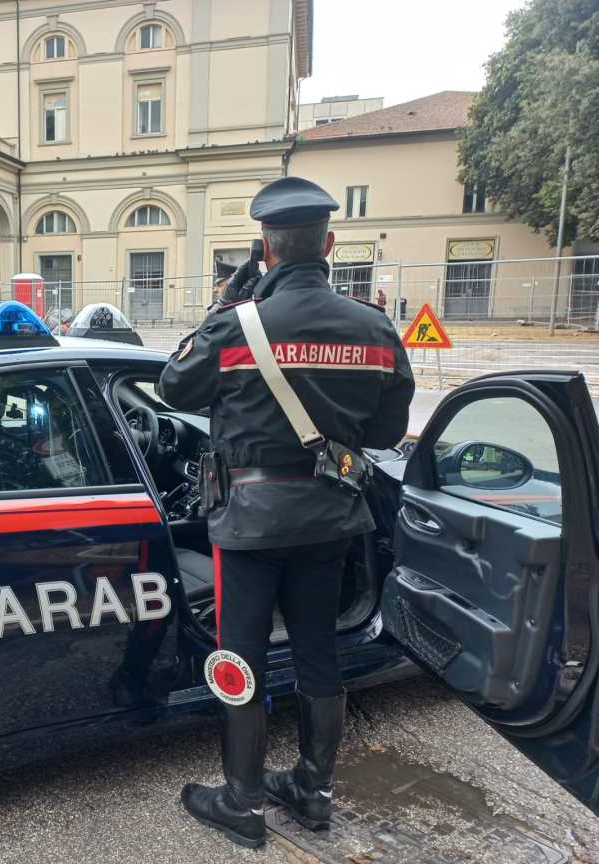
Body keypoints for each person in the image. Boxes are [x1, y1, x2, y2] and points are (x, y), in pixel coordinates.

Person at [158, 177, 414, 850]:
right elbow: (388, 433)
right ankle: (313, 790)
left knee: (239, 655)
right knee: (317, 655)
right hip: (331, 517)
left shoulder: (239, 325)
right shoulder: (376, 328)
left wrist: (226, 302)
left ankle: (242, 803)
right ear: (328, 244)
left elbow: (173, 384)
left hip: (247, 521)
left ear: (264, 248)